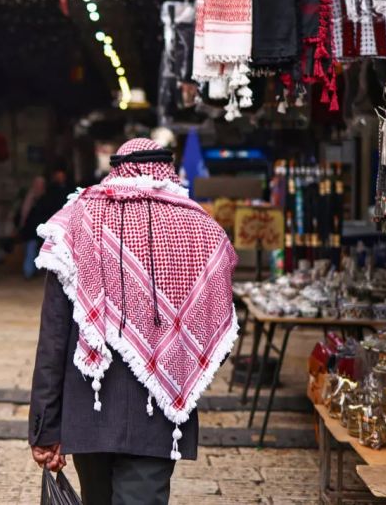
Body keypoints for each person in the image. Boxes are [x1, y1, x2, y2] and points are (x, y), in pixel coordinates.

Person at [28, 138, 238, 504]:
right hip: (159, 411)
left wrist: (45, 426)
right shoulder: (203, 230)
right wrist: (179, 366)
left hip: (91, 404)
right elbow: (216, 325)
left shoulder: (75, 222)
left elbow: (54, 336)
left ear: (115, 169)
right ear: (168, 170)